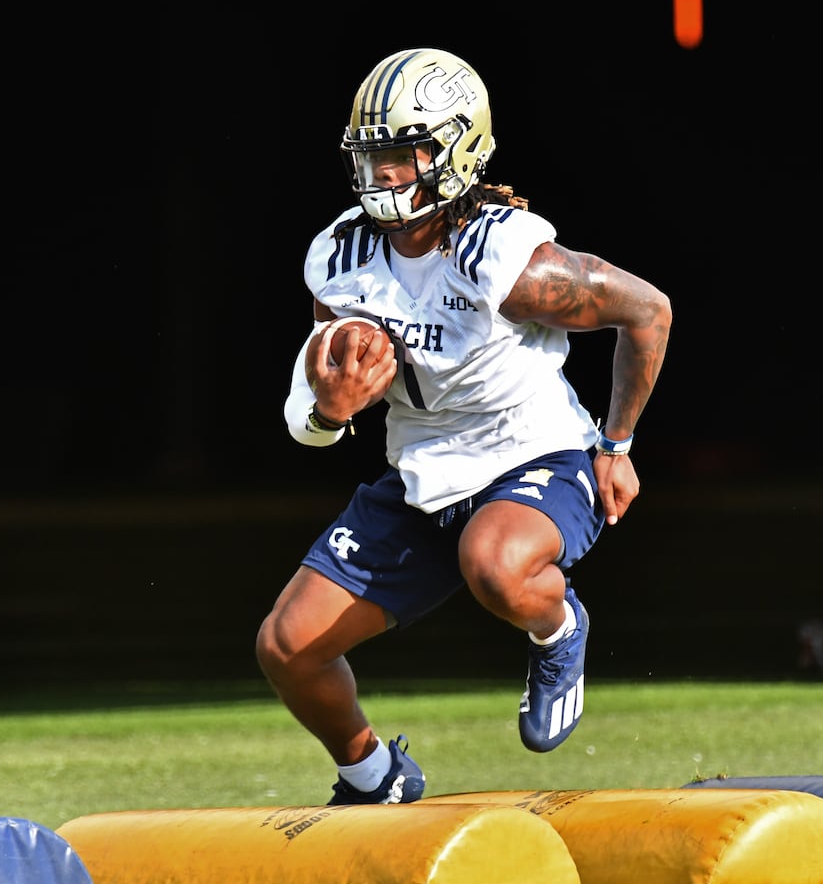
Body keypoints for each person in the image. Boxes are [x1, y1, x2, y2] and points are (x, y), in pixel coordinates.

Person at [256, 48, 672, 804]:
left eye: (403, 154)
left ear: (454, 150)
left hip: (532, 453)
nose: (383, 174)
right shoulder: (339, 256)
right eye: (372, 156)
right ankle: (372, 776)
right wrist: (329, 410)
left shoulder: (507, 258)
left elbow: (646, 310)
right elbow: (304, 411)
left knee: (495, 562)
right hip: (422, 471)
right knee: (287, 648)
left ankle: (557, 628)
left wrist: (616, 443)